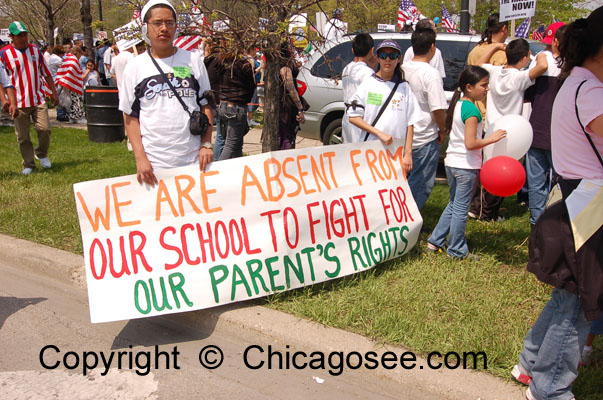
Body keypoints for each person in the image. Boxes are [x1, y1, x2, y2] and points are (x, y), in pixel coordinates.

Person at [512, 7, 603, 400]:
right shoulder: (593, 91)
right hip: (592, 205)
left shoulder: (576, 82)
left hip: (578, 198)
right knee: (581, 299)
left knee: (567, 290)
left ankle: (530, 364)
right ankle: (549, 387)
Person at [119, 0, 214, 185]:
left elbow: (206, 105)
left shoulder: (193, 61)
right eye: (157, 23)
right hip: (155, 163)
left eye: (169, 23)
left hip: (195, 159)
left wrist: (206, 144)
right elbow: (130, 117)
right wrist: (141, 158)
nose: (164, 28)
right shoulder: (135, 67)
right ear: (146, 27)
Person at [426, 66, 506, 260]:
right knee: (461, 209)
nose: (487, 89)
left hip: (453, 162)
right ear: (469, 87)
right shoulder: (472, 109)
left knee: (454, 204)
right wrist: (492, 139)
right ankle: (456, 250)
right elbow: (471, 143)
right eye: (483, 85)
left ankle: (435, 241)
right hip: (465, 165)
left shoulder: (459, 104)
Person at [348, 39, 421, 175]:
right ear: (377, 58)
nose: (388, 60)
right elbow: (353, 117)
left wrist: (408, 153)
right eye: (383, 55)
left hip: (395, 155)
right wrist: (378, 133)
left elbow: (410, 123)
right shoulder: (368, 83)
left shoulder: (404, 88)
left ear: (399, 59)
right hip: (371, 154)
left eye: (392, 56)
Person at [465, 13, 509, 221]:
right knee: (492, 164)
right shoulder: (501, 55)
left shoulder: (475, 51)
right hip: (489, 114)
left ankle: (472, 204)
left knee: (476, 163)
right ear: (504, 29)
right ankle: (482, 208)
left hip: (474, 111)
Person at [0, 21, 59, 175]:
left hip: (38, 98)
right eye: (20, 35)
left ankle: (41, 153)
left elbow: (46, 73)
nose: (24, 38)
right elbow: (1, 80)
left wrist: (53, 92)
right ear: (12, 37)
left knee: (45, 129)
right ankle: (28, 164)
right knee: (23, 136)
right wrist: (5, 99)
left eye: (25, 34)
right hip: (18, 102)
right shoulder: (4, 54)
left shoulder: (35, 51)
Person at [523, 22, 566, 227]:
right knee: (561, 184)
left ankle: (537, 226)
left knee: (536, 184)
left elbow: (527, 93)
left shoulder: (540, 61)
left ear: (554, 42)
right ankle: (556, 224)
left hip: (537, 131)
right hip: (562, 137)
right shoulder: (576, 66)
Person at [402, 26, 448, 212]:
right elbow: (437, 109)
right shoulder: (430, 73)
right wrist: (442, 129)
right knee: (420, 185)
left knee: (404, 184)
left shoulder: (401, 69)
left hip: (403, 137)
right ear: (432, 47)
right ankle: (409, 222)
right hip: (423, 137)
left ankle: (401, 219)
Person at [216, 43, 256, 160]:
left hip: (224, 104)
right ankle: (216, 173)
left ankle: (237, 168)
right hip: (236, 106)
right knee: (231, 144)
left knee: (236, 143)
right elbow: (251, 85)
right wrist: (252, 68)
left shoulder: (223, 63)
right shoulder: (243, 65)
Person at [342, 33, 376, 144]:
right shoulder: (367, 73)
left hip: (347, 117)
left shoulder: (347, 68)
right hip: (360, 119)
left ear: (353, 50)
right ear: (372, 50)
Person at [278, 41, 307, 150]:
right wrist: (300, 107)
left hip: (285, 106)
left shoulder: (281, 63)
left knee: (286, 137)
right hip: (285, 107)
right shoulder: (285, 65)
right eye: (291, 48)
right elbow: (290, 87)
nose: (293, 50)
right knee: (286, 138)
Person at [56, 46, 86, 124]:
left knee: (72, 101)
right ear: (78, 53)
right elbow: (73, 71)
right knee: (76, 100)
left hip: (67, 82)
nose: (80, 57)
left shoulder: (66, 59)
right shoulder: (74, 60)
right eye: (80, 54)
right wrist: (70, 79)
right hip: (72, 83)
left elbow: (62, 70)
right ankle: (77, 117)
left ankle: (72, 117)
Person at [244, 45, 261, 128]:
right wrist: (261, 67)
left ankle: (250, 119)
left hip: (255, 83)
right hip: (252, 83)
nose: (255, 52)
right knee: (252, 101)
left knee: (254, 100)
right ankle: (248, 120)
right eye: (254, 50)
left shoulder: (252, 59)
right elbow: (252, 73)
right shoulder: (250, 60)